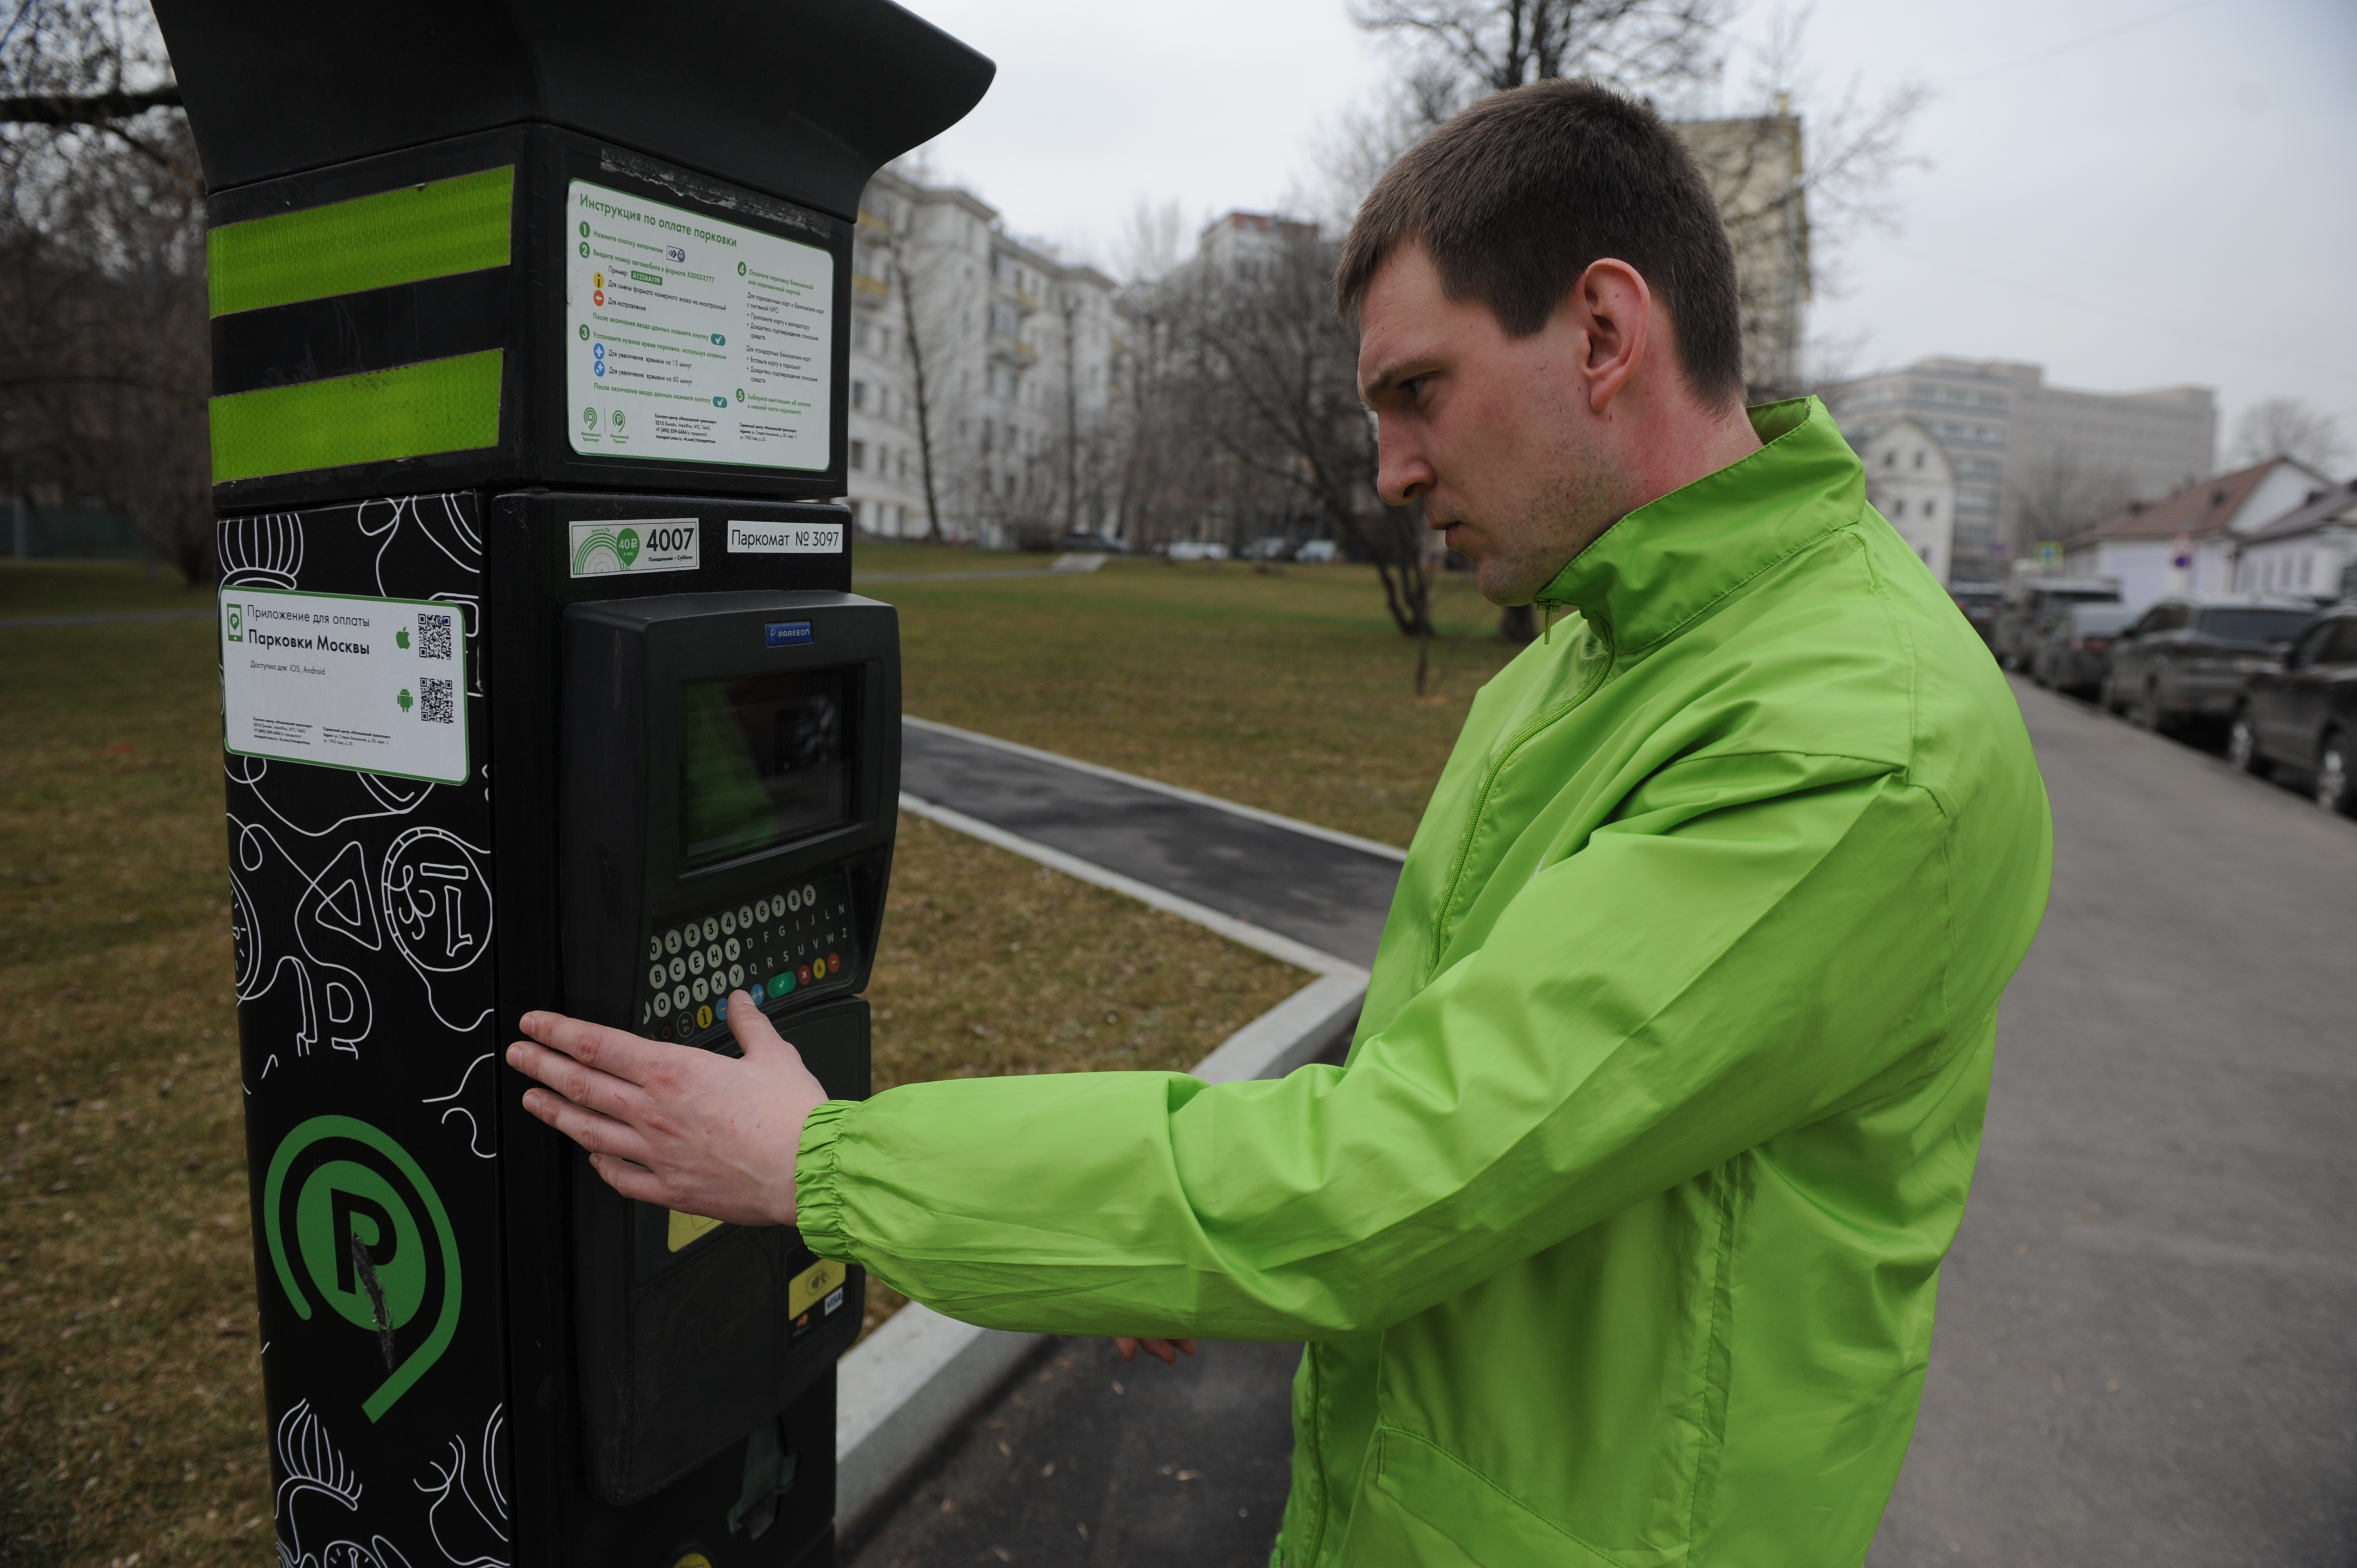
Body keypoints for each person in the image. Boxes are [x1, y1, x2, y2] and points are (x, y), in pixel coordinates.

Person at [508, 78, 2051, 1566]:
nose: (1388, 471)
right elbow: (1466, 1100)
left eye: (1417, 392)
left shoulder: (1852, 739)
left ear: (1601, 330)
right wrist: (1169, 1244)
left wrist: (825, 1170)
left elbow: (1385, 1177)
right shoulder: (1594, 654)